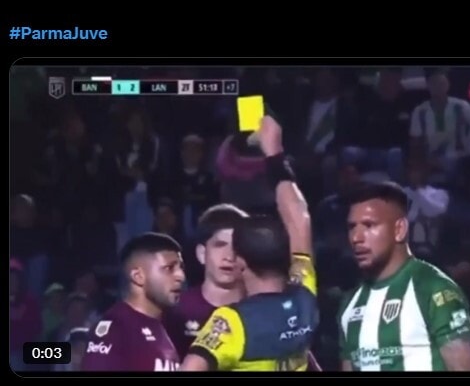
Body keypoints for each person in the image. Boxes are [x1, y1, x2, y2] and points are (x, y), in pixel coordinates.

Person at [181, 116, 319, 371]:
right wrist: (275, 155)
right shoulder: (305, 297)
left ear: (241, 262)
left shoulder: (231, 321)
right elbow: (300, 219)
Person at [338, 181, 470, 371]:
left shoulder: (433, 289)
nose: (356, 237)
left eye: (369, 225)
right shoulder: (350, 303)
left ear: (400, 229)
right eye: (352, 227)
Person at [81, 232, 185, 371]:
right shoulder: (116, 329)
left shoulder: (169, 326)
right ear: (138, 276)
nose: (180, 276)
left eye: (181, 268)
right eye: (169, 268)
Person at [163, 203, 248, 359]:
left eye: (237, 247)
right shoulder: (175, 311)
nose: (229, 257)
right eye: (220, 245)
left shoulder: (260, 310)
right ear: (202, 254)